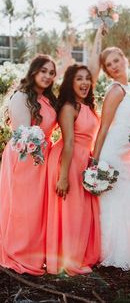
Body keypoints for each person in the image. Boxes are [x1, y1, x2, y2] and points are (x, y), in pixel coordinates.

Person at [46, 28, 103, 276]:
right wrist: (62, 175)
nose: (85, 82)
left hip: (83, 161)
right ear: (70, 82)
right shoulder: (69, 107)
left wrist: (99, 34)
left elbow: (94, 66)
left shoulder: (86, 104)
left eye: (87, 79)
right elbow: (68, 142)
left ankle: (78, 255)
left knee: (80, 213)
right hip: (67, 160)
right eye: (79, 79)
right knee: (70, 213)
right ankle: (68, 261)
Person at [0, 54, 57, 275]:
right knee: (25, 208)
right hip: (25, 159)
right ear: (33, 71)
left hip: (44, 159)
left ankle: (35, 251)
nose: (48, 76)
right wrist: (36, 152)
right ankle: (18, 253)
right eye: (43, 71)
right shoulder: (22, 97)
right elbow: (22, 135)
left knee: (38, 209)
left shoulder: (48, 99)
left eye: (51, 73)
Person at [93, 47, 130, 270]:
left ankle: (127, 250)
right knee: (114, 203)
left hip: (125, 156)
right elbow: (103, 127)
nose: (114, 66)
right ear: (106, 70)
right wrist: (95, 163)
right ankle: (108, 251)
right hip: (111, 153)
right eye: (109, 65)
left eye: (117, 60)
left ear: (125, 59)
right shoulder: (115, 91)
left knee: (129, 202)